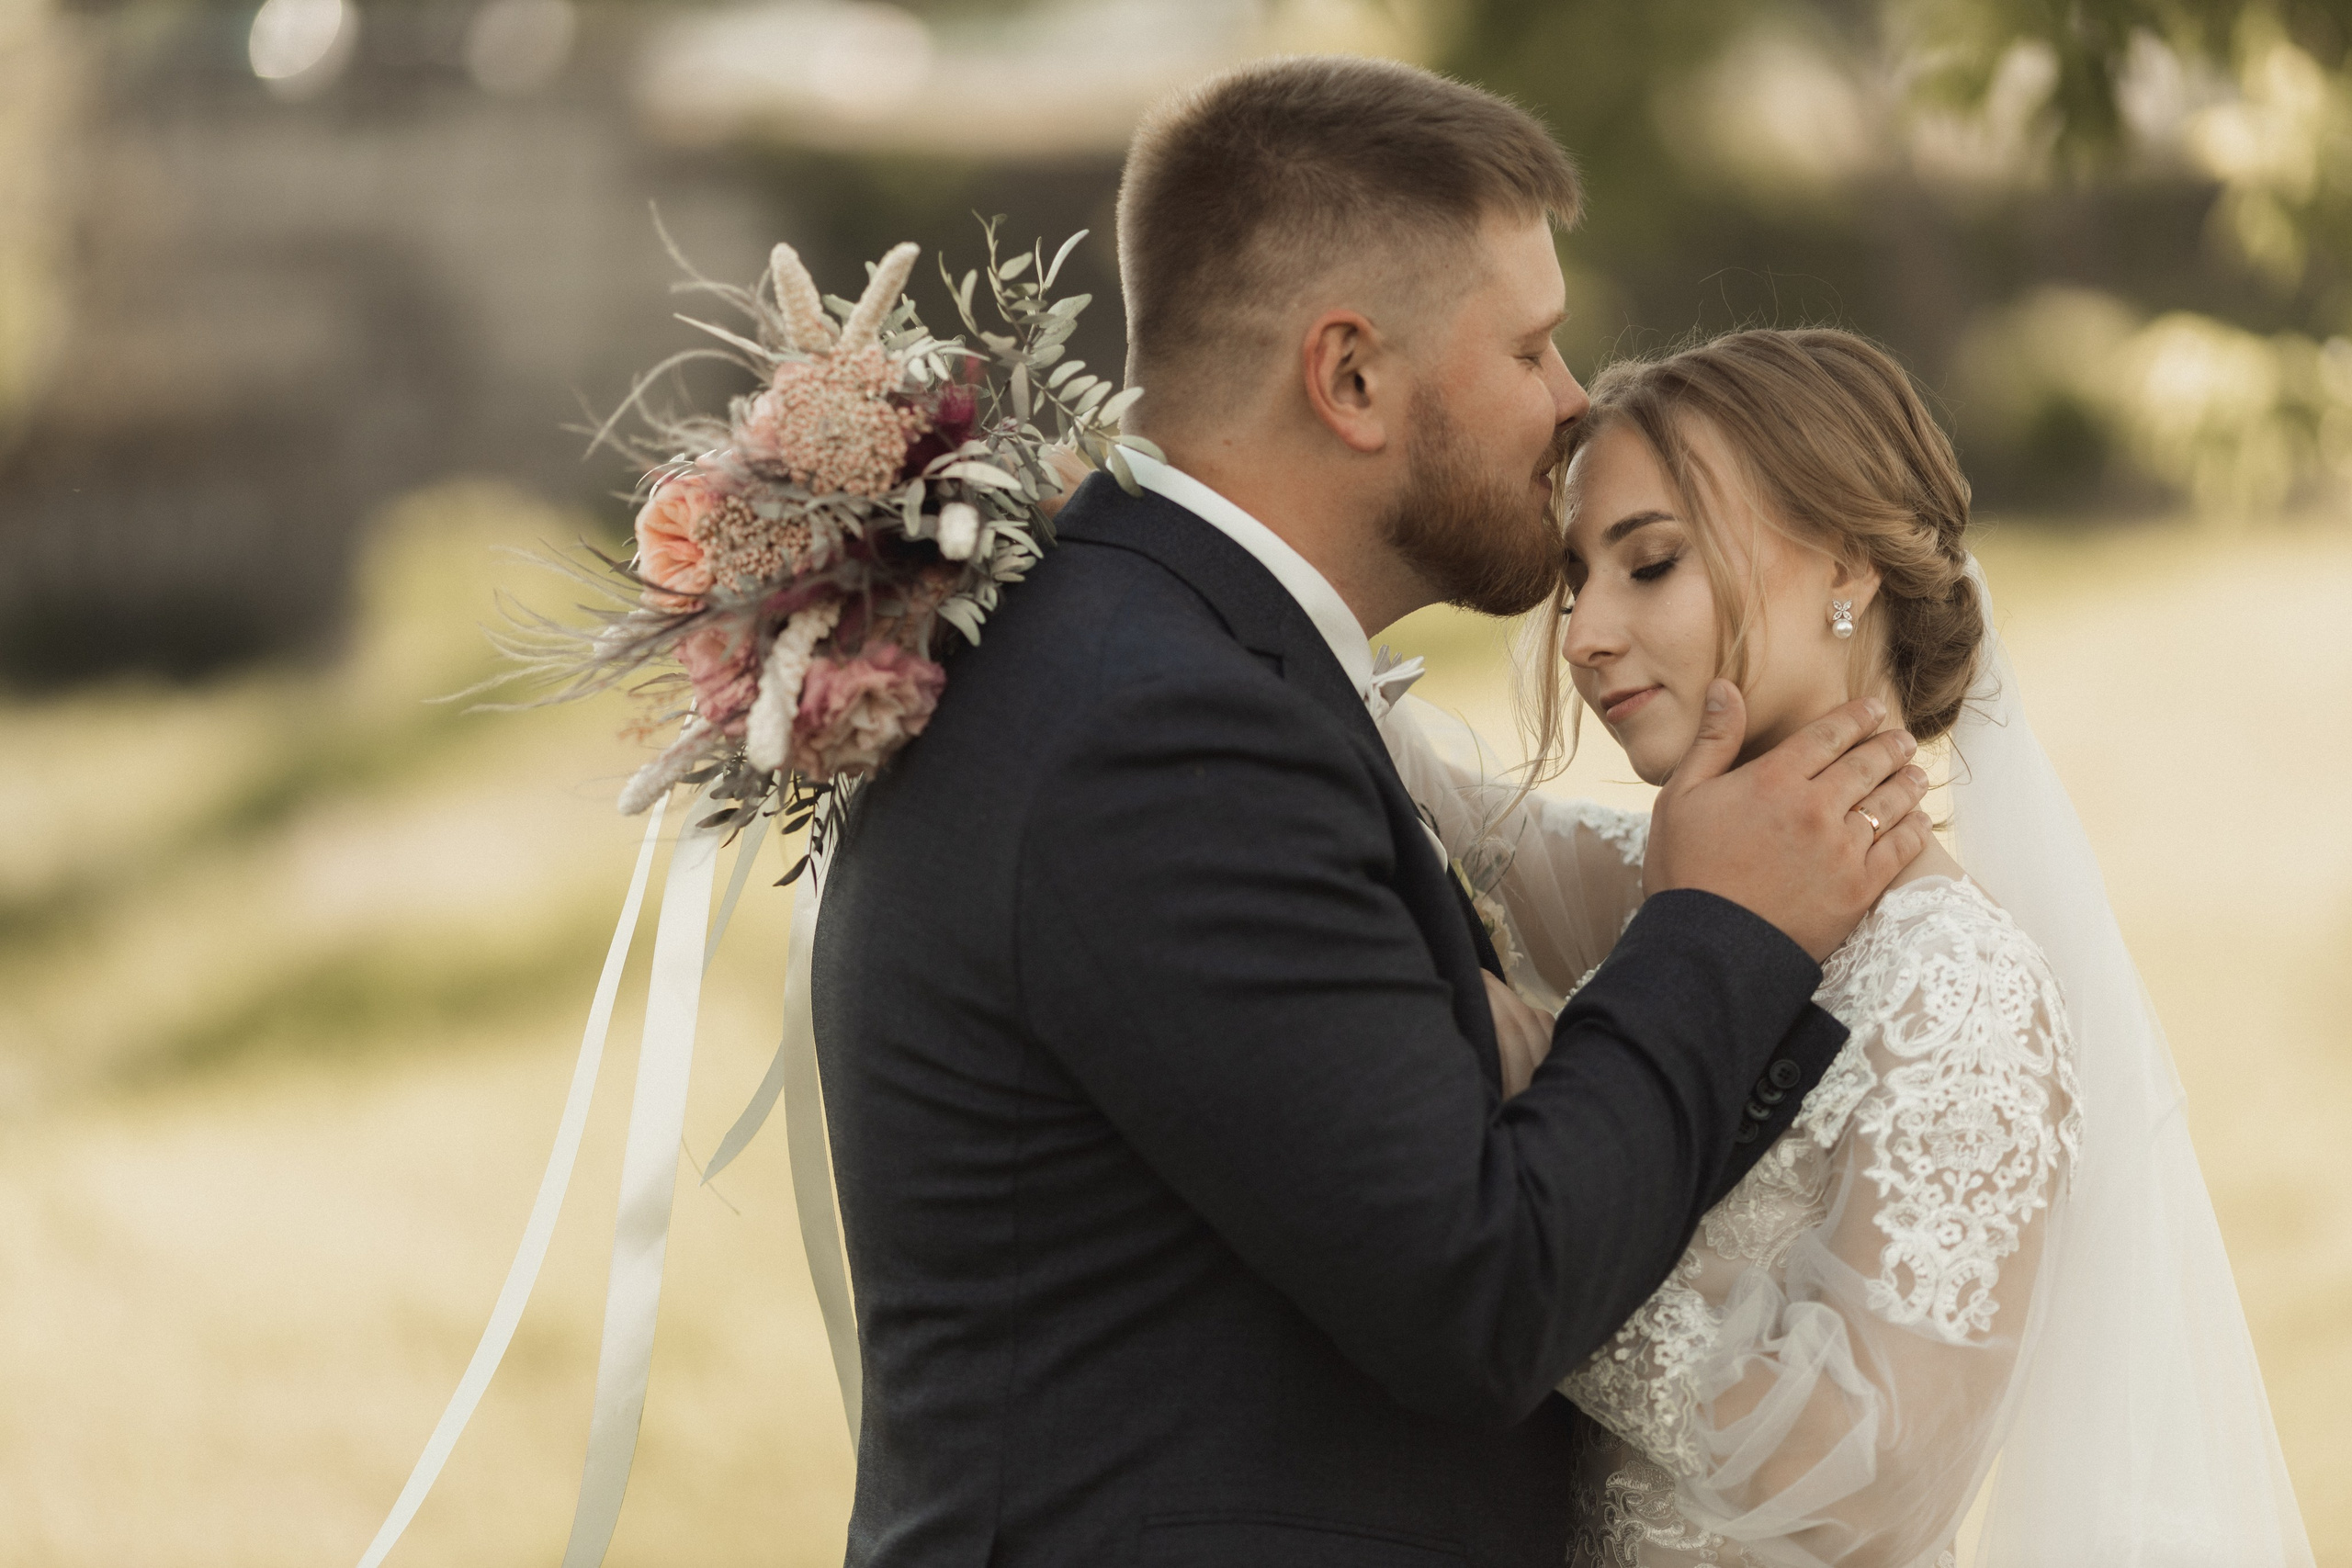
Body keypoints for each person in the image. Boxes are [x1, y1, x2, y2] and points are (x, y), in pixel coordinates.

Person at [808, 56, 1935, 1568]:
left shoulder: (1153, 655)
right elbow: (1483, 1293)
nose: (1573, 400)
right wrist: (1716, 926)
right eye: (1528, 347)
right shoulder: (1163, 731)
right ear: (1349, 379)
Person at [1382, 327, 2314, 1565]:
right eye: (1573, 581)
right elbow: (1456, 813)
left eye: (1650, 564)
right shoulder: (1683, 886)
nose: (1584, 633)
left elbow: (1870, 1480)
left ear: (1843, 564)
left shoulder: (1959, 986)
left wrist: (1535, 1190)